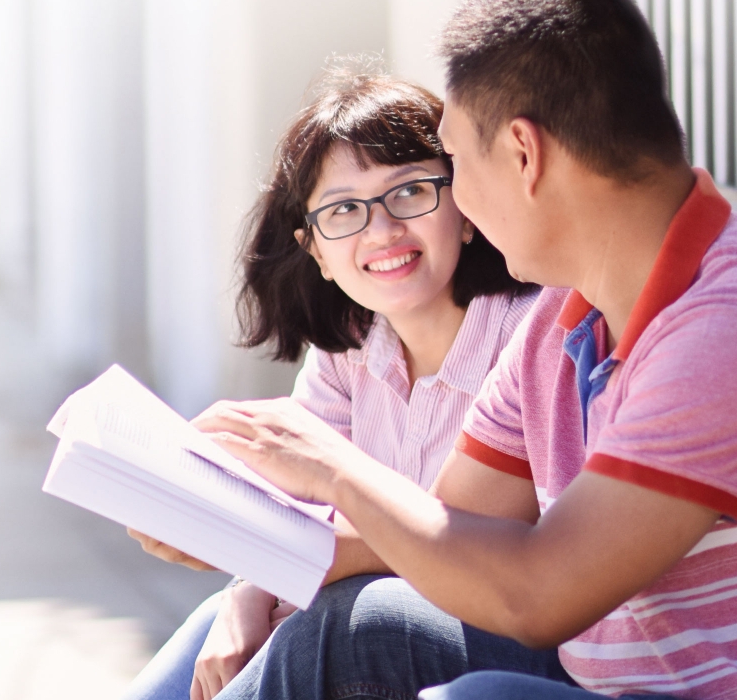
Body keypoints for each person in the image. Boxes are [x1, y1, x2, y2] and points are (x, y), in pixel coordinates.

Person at [192, 1, 737, 698]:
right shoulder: (562, 321)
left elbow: (536, 594)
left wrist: (329, 469)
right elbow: (448, 535)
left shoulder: (714, 329)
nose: (456, 200)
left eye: (448, 165)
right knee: (346, 625)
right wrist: (236, 543)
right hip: (588, 673)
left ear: (522, 153)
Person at [122, 68, 552, 700]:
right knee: (220, 626)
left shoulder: (527, 333)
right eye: (346, 209)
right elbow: (296, 513)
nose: (383, 231)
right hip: (387, 613)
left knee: (333, 622)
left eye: (410, 192)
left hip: (500, 631)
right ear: (315, 249)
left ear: (464, 210)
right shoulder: (349, 347)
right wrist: (247, 586)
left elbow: (452, 539)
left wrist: (252, 552)